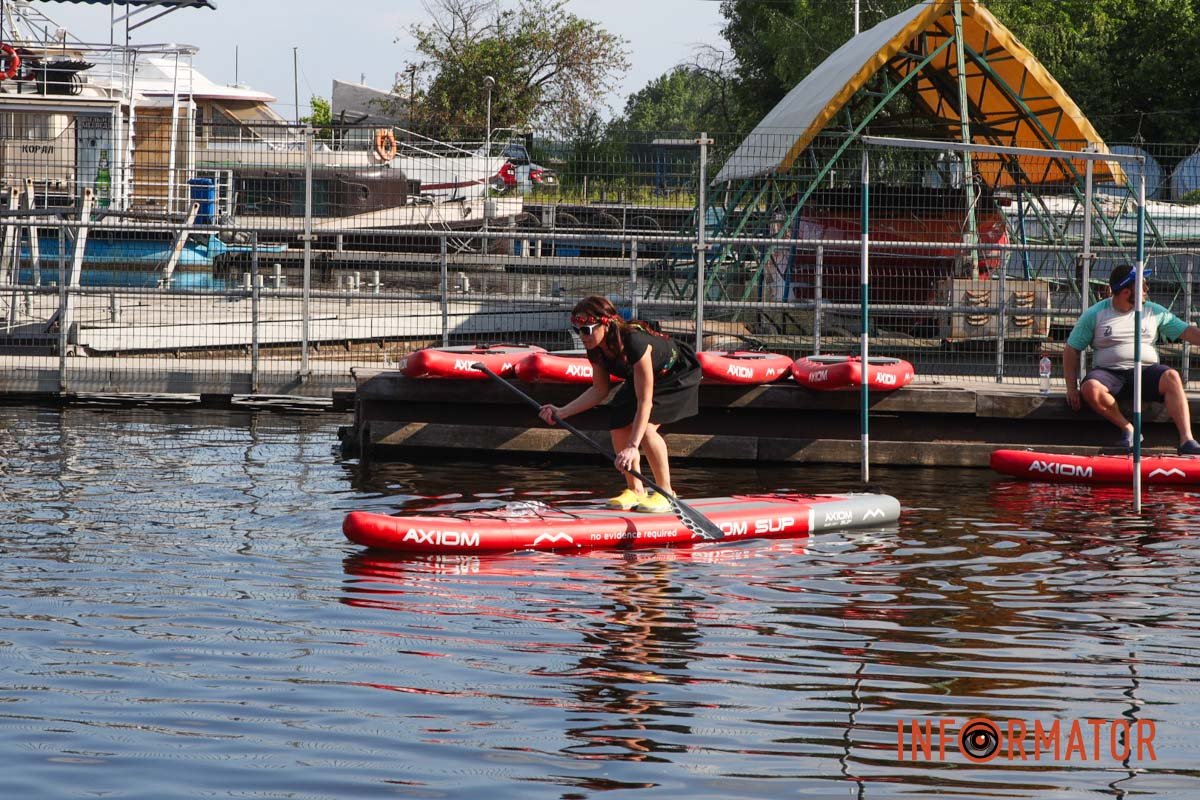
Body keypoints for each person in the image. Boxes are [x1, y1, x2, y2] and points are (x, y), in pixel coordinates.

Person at [538, 295, 702, 512]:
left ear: (605, 325)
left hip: (676, 375)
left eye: (586, 330)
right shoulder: (595, 349)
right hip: (643, 377)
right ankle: (636, 490)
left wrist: (633, 447)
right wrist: (562, 412)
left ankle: (666, 492)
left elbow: (645, 401)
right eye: (578, 331)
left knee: (646, 430)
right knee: (618, 423)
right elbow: (599, 389)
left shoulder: (634, 342)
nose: (582, 336)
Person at [1063, 263, 1200, 454]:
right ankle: (1129, 429)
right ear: (1126, 292)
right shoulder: (1095, 314)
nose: (1147, 289)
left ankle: (1187, 440)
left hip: (1146, 372)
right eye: (1142, 285)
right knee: (1090, 388)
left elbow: (1186, 332)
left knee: (1172, 377)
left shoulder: (1154, 311)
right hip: (1109, 374)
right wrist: (1071, 388)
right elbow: (1071, 349)